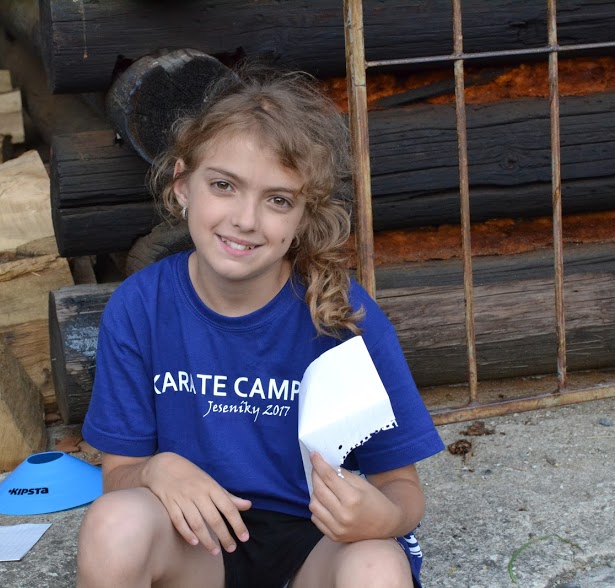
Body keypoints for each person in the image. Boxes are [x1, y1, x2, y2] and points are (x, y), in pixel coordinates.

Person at [76, 65, 445, 588]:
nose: (246, 219)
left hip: (315, 548)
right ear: (182, 185)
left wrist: (381, 517)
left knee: (377, 567)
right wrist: (156, 469)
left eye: (278, 200)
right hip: (198, 546)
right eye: (223, 185)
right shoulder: (140, 307)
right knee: (114, 524)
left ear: (304, 215)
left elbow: (402, 489)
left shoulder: (342, 315)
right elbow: (119, 476)